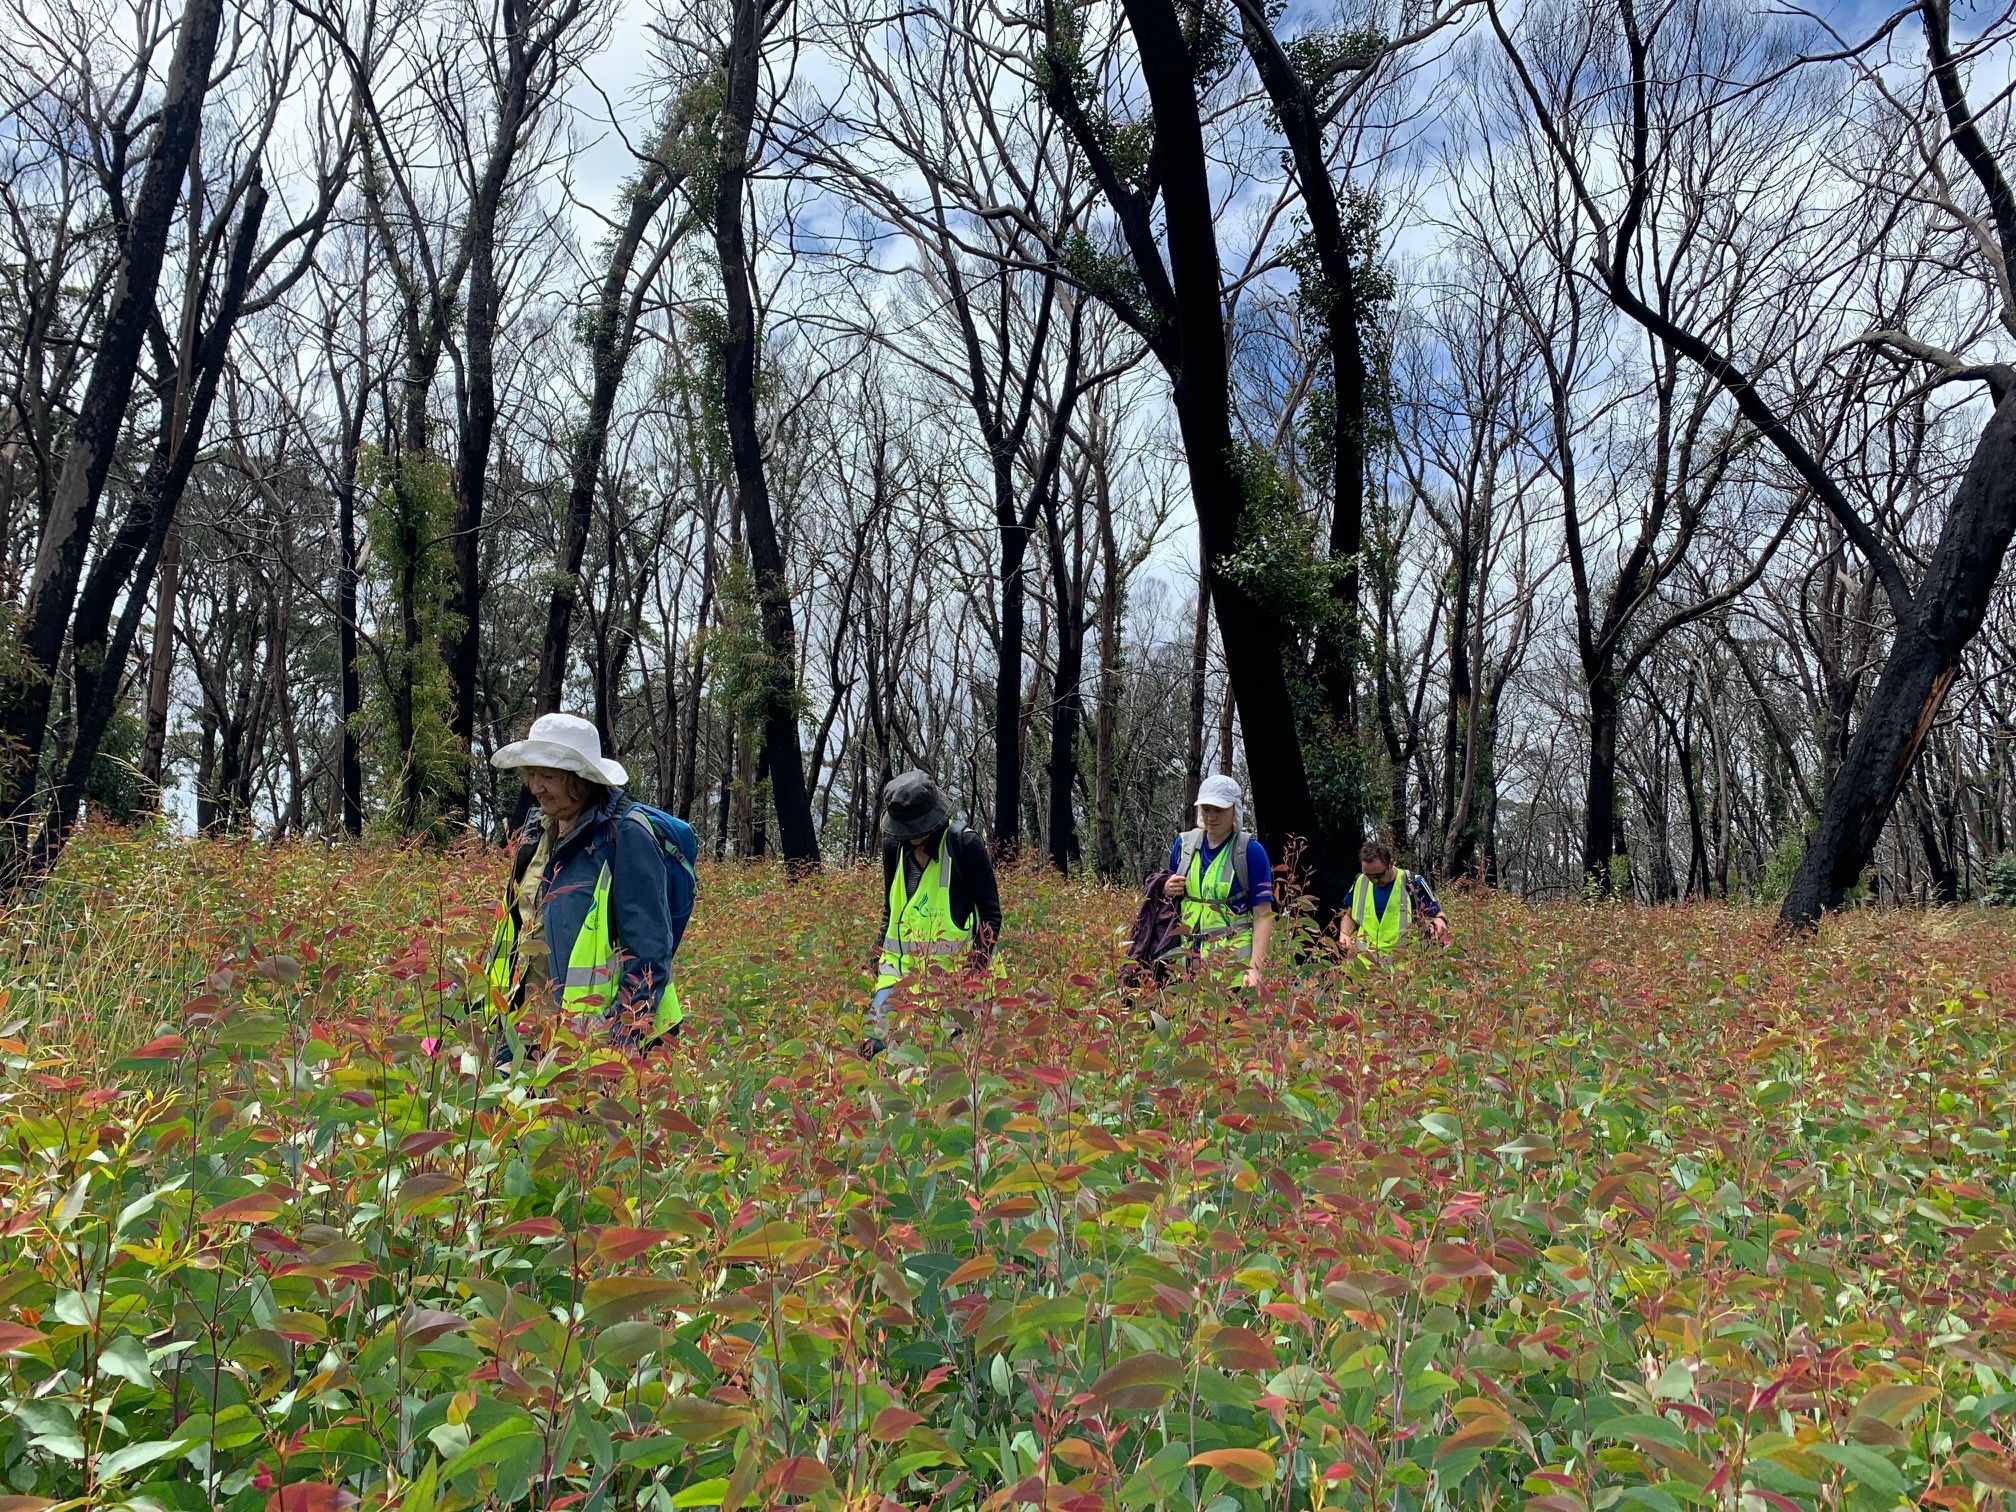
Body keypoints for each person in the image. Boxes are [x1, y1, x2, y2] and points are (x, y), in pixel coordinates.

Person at [483, 712, 682, 1054]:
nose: (535, 787)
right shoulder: (536, 832)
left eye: (547, 775)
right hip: (522, 1029)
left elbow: (649, 953)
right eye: (531, 774)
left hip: (592, 1042)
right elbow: (515, 931)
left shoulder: (626, 835)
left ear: (581, 779)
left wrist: (621, 1046)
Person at [866, 770, 1001, 1055]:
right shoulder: (893, 847)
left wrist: (972, 977)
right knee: (873, 1046)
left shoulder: (964, 844)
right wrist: (873, 957)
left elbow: (991, 915)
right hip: (897, 975)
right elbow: (891, 910)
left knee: (940, 1061)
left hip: (953, 981)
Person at [1162, 774, 1274, 989]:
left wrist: (1255, 968)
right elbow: (1169, 901)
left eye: (1218, 810)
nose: (1211, 817)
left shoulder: (1250, 851)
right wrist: (1166, 888)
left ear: (1235, 809)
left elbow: (1263, 914)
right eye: (1206, 809)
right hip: (1186, 963)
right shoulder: (1183, 845)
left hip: (1232, 966)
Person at [1337, 838, 1452, 955]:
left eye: (1378, 875)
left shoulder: (1413, 882)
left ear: (1391, 864)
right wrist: (1345, 933)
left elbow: (1438, 914)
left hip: (1404, 966)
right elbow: (1349, 916)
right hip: (1365, 967)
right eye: (1368, 875)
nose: (1373, 881)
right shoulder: (1360, 882)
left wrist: (1440, 921)